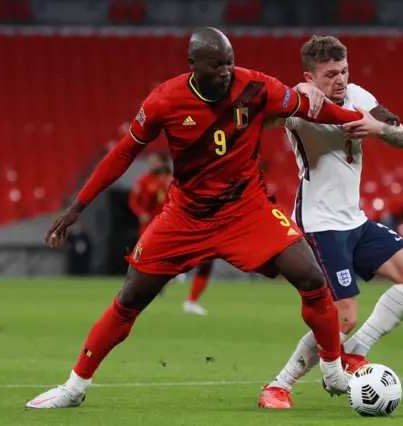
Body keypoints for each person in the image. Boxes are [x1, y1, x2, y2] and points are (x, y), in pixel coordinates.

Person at [26, 27, 368, 409]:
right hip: (186, 217)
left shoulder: (255, 86)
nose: (226, 72)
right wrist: (78, 206)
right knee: (129, 298)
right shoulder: (164, 100)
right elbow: (122, 153)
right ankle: (74, 387)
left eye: (229, 63)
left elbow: (314, 109)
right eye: (217, 65)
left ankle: (334, 370)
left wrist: (363, 120)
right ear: (193, 66)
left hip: (247, 210)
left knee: (312, 278)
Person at [257, 35, 403, 409]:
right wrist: (300, 89)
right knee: (342, 315)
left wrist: (380, 129)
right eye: (330, 74)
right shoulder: (299, 105)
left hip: (355, 221)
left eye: (344, 71)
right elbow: (266, 116)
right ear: (311, 75)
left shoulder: (360, 98)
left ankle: (354, 353)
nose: (340, 80)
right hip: (319, 224)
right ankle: (278, 385)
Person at [128, 152, 212, 315]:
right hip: (151, 226)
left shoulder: (174, 177)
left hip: (174, 225)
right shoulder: (144, 180)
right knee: (142, 260)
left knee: (204, 259)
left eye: (154, 161)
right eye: (150, 161)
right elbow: (133, 200)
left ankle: (185, 294)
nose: (151, 164)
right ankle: (148, 287)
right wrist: (140, 213)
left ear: (163, 162)